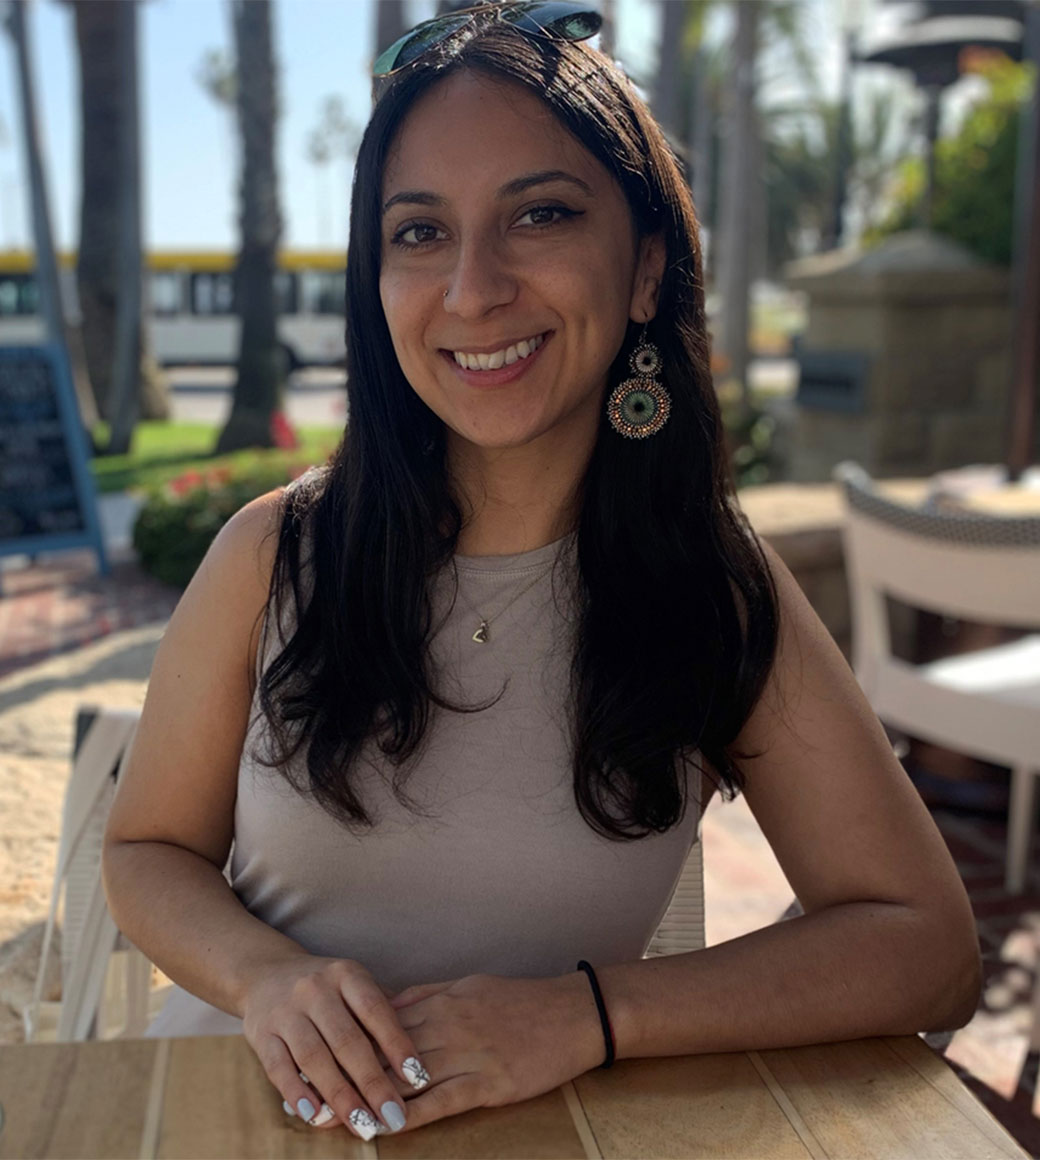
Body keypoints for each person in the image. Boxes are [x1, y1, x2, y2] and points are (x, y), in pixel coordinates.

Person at [102, 0, 982, 1143]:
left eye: (541, 214)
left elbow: (923, 943)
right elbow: (146, 850)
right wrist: (267, 977)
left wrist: (588, 1015)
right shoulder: (275, 554)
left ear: (644, 269)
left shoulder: (709, 586)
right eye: (418, 232)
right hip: (227, 1121)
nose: (472, 289)